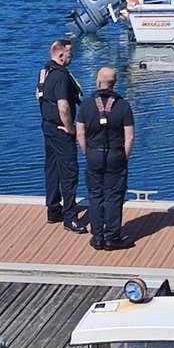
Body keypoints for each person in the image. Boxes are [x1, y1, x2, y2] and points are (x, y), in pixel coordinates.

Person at [76, 67, 135, 251]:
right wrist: (124, 156)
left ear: (97, 81)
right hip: (115, 154)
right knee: (114, 196)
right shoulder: (123, 105)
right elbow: (130, 136)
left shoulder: (86, 105)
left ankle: (97, 236)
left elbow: (80, 133)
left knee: (95, 195)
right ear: (114, 83)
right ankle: (112, 236)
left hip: (94, 153)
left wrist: (87, 152)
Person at [36, 38, 86, 233]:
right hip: (59, 129)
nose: (71, 57)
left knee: (52, 168)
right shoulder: (61, 76)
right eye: (70, 54)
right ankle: (70, 217)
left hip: (47, 126)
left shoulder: (44, 71)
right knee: (69, 172)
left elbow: (38, 95)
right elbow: (63, 106)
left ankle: (53, 209)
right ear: (60, 55)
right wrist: (70, 128)